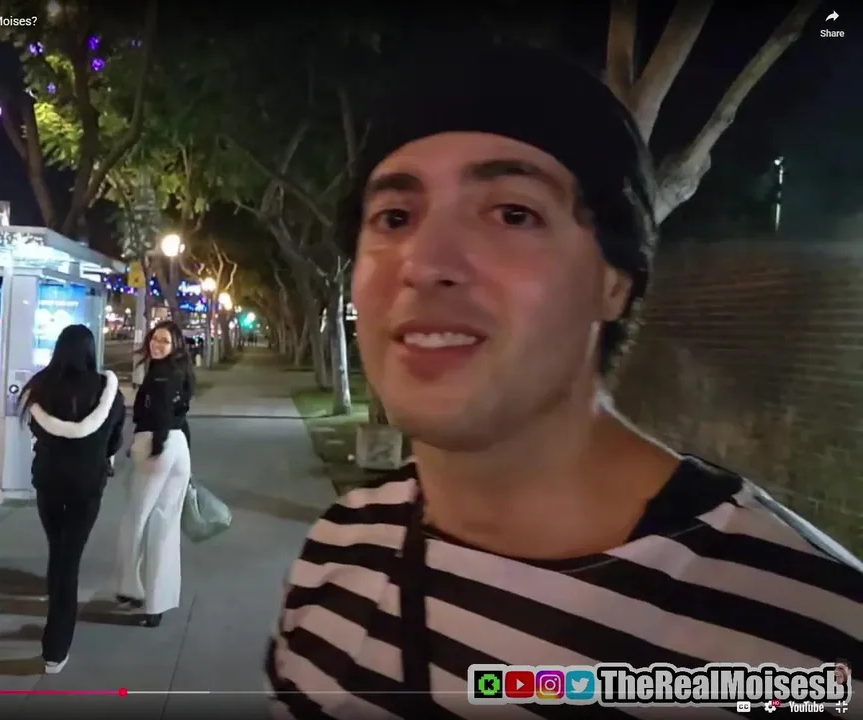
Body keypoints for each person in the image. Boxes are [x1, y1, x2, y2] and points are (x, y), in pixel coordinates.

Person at [266, 45, 863, 717]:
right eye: (394, 218)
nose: (424, 262)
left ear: (615, 281)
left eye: (512, 213)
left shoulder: (809, 637)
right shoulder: (335, 553)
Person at [20, 324, 126, 673]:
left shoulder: (40, 388)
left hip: (49, 482)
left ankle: (56, 626)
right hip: (87, 485)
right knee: (70, 560)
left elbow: (34, 429)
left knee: (59, 550)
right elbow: (114, 438)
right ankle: (55, 648)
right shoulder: (107, 391)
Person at [114, 320, 195, 627]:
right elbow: (180, 416)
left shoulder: (160, 374)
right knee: (165, 525)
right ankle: (157, 601)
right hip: (179, 447)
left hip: (157, 445)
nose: (157, 345)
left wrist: (155, 446)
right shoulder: (181, 372)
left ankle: (130, 587)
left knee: (137, 519)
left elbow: (160, 414)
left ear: (175, 346)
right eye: (155, 339)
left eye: (164, 341)